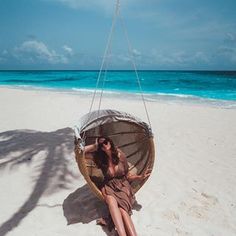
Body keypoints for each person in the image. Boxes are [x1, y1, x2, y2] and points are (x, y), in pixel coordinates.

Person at [84, 136, 150, 236]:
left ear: (110, 142)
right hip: (109, 186)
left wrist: (140, 177)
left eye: (105, 142)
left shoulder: (120, 155)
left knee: (122, 211)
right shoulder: (99, 158)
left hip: (123, 186)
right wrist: (94, 146)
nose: (104, 145)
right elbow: (79, 154)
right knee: (111, 201)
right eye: (101, 144)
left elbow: (128, 175)